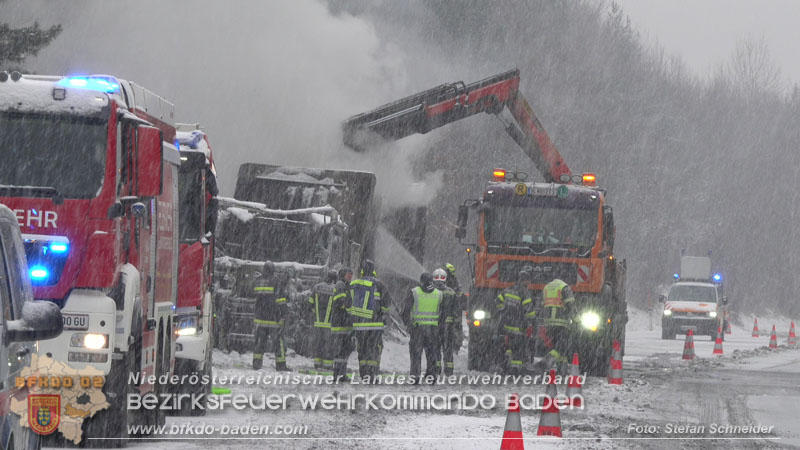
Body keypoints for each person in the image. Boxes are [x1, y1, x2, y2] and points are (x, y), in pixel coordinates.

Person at [348, 259, 392, 379]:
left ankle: (364, 373)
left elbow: (348, 303)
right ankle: (372, 374)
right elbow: (387, 304)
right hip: (374, 324)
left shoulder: (353, 284)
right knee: (374, 349)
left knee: (362, 349)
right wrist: (383, 315)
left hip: (359, 325)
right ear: (373, 272)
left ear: (362, 271)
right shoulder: (378, 284)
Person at [403, 272, 443, 382]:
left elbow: (406, 311)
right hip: (433, 329)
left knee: (416, 354)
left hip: (418, 328)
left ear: (421, 281)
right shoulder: (439, 294)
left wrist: (408, 324)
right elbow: (442, 312)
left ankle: (415, 376)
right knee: (432, 353)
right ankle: (432, 376)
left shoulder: (414, 292)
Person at [251, 261, 289, 371]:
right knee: (278, 342)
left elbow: (252, 293)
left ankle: (256, 363)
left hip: (260, 318)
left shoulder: (258, 281)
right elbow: (281, 299)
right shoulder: (276, 281)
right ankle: (281, 365)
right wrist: (283, 313)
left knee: (259, 341)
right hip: (273, 318)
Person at [495, 270, 533, 375]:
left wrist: (503, 311)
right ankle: (515, 371)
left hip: (506, 325)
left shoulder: (508, 290)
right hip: (518, 327)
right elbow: (528, 311)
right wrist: (531, 320)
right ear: (524, 281)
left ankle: (503, 367)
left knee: (506, 346)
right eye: (527, 282)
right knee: (517, 350)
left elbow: (498, 302)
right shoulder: (524, 293)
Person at [539, 278, 576, 373]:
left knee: (557, 344)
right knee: (562, 345)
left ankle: (562, 370)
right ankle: (548, 359)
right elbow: (570, 304)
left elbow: (542, 304)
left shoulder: (547, 287)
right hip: (561, 322)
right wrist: (576, 320)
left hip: (549, 322)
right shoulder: (564, 287)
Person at [307, 270, 338, 371]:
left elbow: (310, 303)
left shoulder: (317, 287)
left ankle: (317, 364)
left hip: (317, 322)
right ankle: (328, 366)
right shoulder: (335, 289)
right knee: (329, 345)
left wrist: (314, 313)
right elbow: (337, 305)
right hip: (329, 323)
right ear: (334, 279)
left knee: (318, 344)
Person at [433, 268, 458, 375]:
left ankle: (436, 369)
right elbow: (456, 311)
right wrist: (456, 326)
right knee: (447, 349)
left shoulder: (431, 292)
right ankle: (449, 370)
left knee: (435, 347)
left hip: (434, 325)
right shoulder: (451, 293)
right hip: (448, 327)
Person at [331, 266, 354, 380]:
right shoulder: (341, 285)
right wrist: (350, 312)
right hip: (340, 323)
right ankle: (338, 374)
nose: (350, 276)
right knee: (340, 350)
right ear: (343, 275)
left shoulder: (346, 286)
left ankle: (342, 373)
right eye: (348, 274)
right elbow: (342, 302)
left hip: (344, 324)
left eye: (351, 274)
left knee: (345, 349)